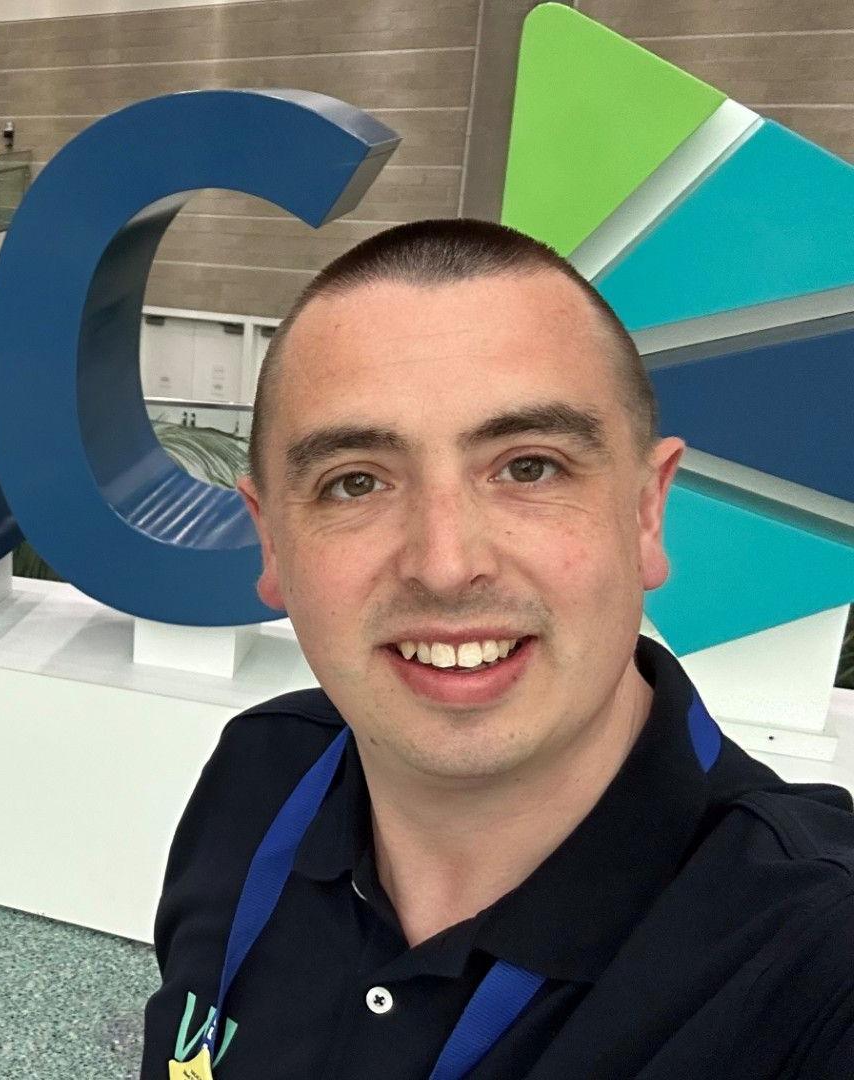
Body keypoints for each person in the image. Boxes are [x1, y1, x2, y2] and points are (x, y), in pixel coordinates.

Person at [142, 219, 854, 1080]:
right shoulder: (260, 770)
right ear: (272, 546)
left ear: (645, 514)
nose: (445, 566)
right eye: (355, 481)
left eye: (529, 467)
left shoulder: (814, 960)